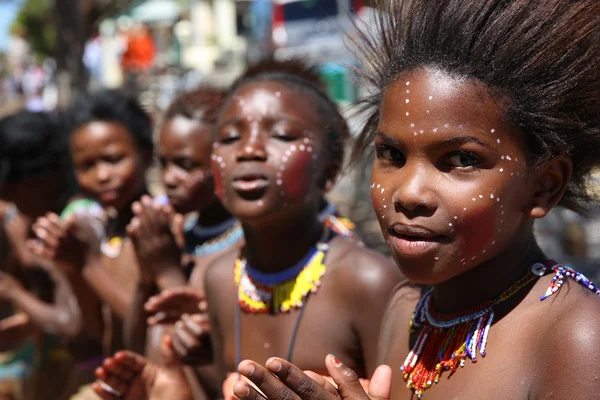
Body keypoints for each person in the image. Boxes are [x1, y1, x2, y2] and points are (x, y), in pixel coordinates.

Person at [212, 0, 600, 399]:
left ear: (544, 185)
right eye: (392, 155)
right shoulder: (405, 310)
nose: (409, 193)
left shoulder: (577, 336)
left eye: (462, 160)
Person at [92, 58, 403, 400]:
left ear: (327, 174)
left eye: (282, 135)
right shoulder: (221, 279)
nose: (249, 150)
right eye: (230, 137)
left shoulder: (368, 280)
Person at [30, 90, 154, 398]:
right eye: (87, 166)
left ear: (146, 153)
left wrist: (88, 263)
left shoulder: (159, 227)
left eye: (114, 159)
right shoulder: (106, 228)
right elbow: (98, 330)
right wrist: (71, 266)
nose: (102, 175)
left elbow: (150, 324)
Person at [124, 87, 242, 365]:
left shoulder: (245, 246)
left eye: (186, 165)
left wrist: (167, 271)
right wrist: (146, 275)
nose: (169, 178)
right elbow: (132, 348)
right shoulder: (179, 237)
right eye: (163, 163)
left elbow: (210, 360)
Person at [0, 111, 81, 400]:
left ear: (39, 180)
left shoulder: (69, 225)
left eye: (11, 190)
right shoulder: (25, 218)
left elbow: (70, 323)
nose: (9, 200)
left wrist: (14, 292)